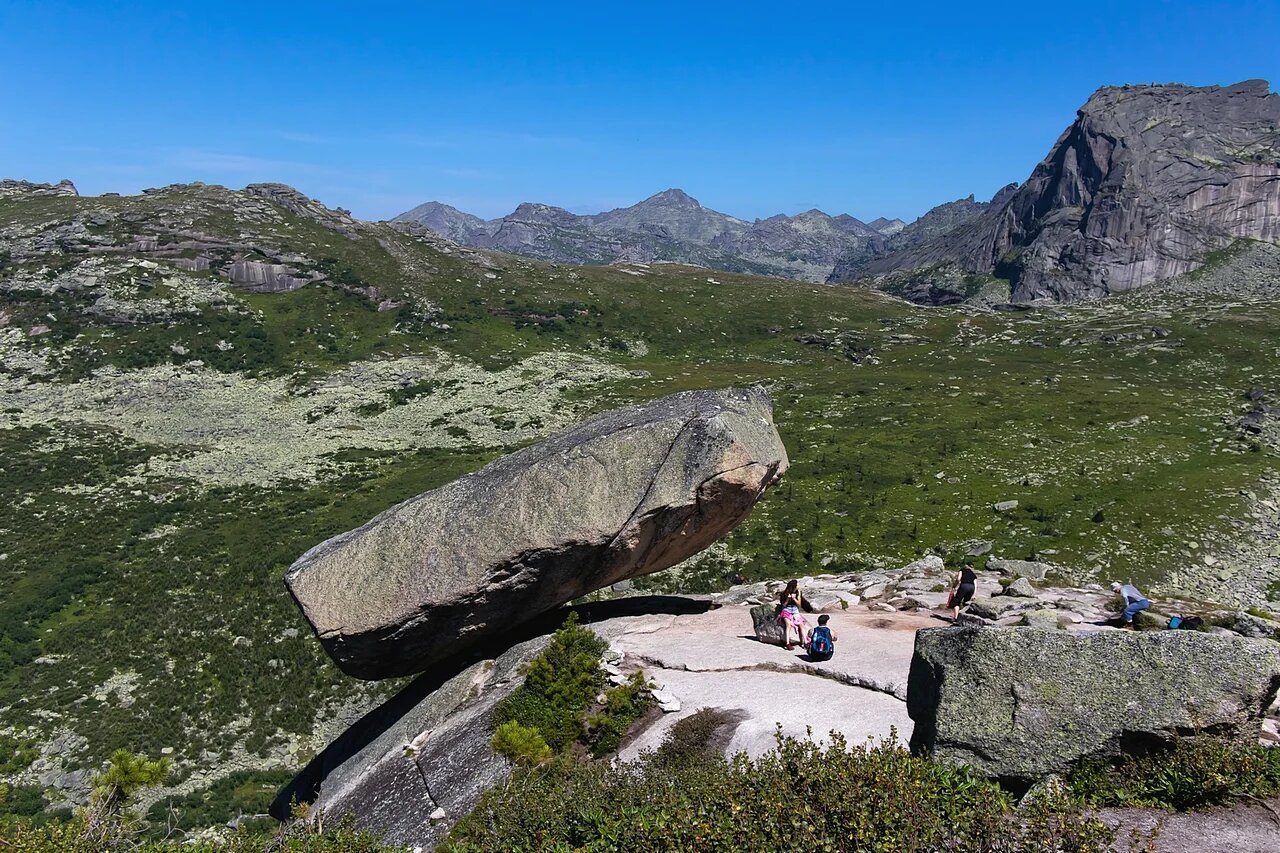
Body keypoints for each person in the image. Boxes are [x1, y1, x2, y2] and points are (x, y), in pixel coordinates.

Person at [777, 579, 809, 650]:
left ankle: (806, 642)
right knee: (788, 625)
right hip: (786, 610)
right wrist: (788, 600)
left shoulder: (798, 592)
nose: (798, 586)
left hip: (795, 610)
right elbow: (783, 605)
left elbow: (799, 605)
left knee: (801, 624)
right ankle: (787, 643)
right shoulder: (784, 593)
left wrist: (794, 599)